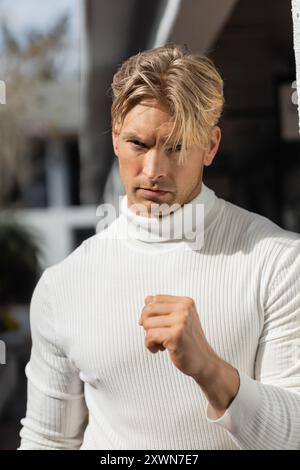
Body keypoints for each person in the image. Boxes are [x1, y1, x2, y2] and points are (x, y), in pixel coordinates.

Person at [19, 43, 300, 450]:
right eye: (138, 144)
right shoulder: (62, 285)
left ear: (211, 145)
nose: (154, 171)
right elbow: (47, 440)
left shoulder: (278, 261)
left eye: (177, 146)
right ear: (116, 138)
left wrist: (209, 370)